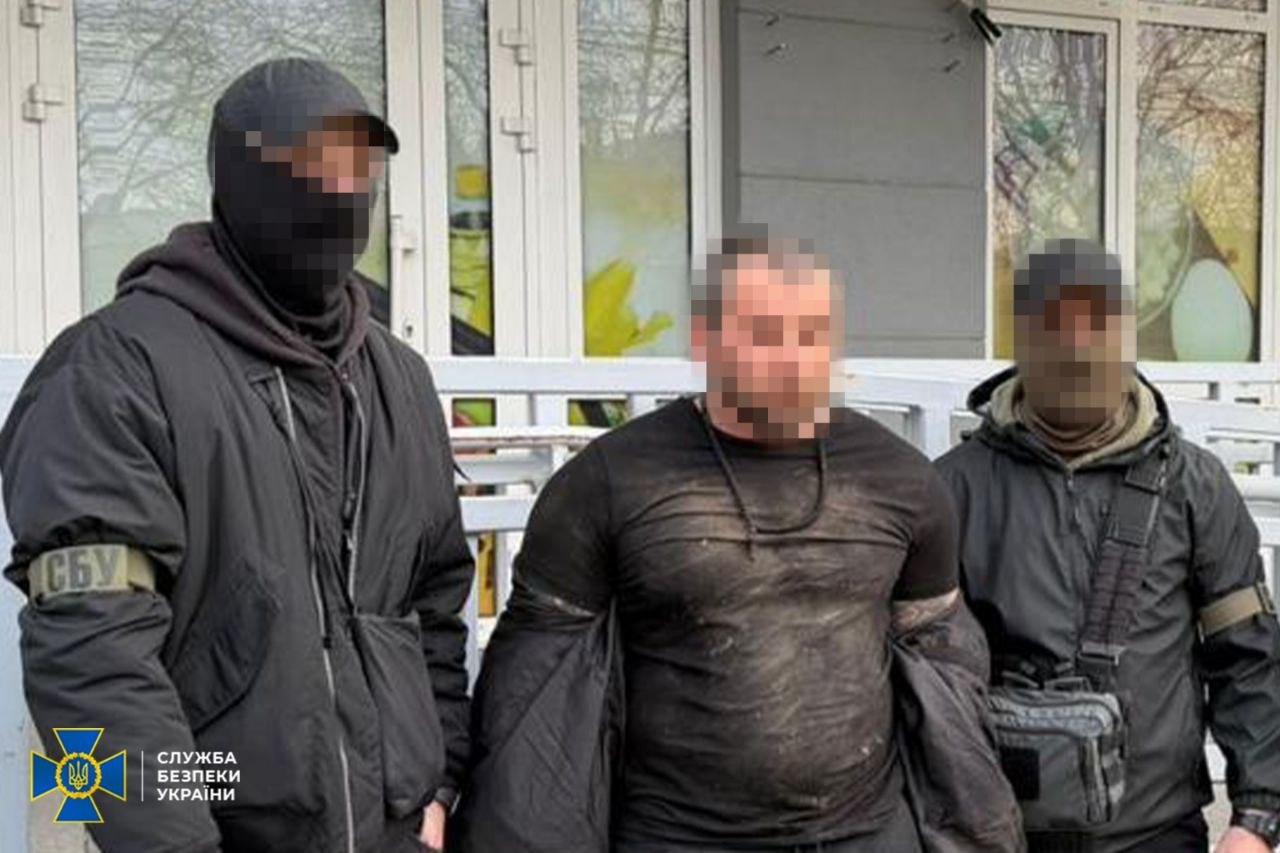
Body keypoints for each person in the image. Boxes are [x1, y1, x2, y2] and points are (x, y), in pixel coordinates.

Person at [0, 58, 471, 853]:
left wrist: (438, 784)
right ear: (248, 178)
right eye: (316, 166)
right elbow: (93, 659)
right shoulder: (116, 369)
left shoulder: (398, 378)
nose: (345, 193)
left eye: (361, 170)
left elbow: (434, 605)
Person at [453, 230, 1021, 852]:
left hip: (867, 833)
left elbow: (942, 662)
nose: (794, 358)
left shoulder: (902, 480)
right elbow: (532, 687)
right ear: (705, 339)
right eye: (767, 333)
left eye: (812, 335)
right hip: (677, 837)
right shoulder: (608, 481)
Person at [937, 239, 1280, 853]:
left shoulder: (1195, 486)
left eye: (1097, 322)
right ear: (1022, 337)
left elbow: (1249, 657)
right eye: (1055, 324)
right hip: (999, 834)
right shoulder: (952, 488)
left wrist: (1256, 817)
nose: (1077, 346)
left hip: (1155, 830)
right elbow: (923, 676)